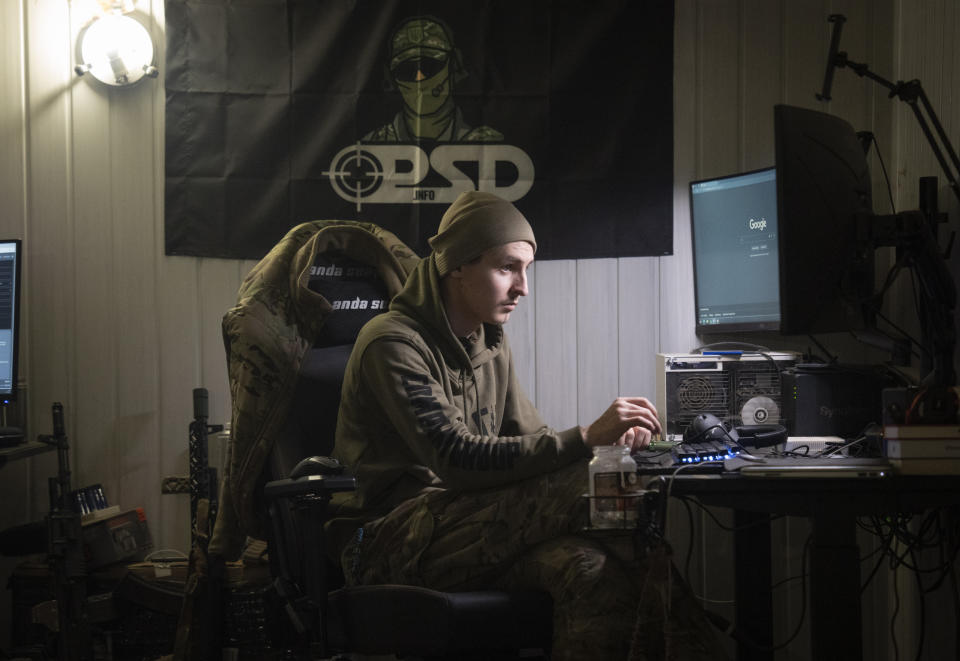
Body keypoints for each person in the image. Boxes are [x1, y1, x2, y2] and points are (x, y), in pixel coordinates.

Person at [331, 191, 721, 660]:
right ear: (456, 265)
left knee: (591, 569)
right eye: (506, 268)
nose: (523, 287)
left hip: (467, 531)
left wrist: (609, 447)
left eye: (526, 270)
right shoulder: (391, 341)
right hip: (388, 542)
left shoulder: (489, 342)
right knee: (599, 485)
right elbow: (455, 458)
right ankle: (700, 648)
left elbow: (533, 442)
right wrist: (586, 441)